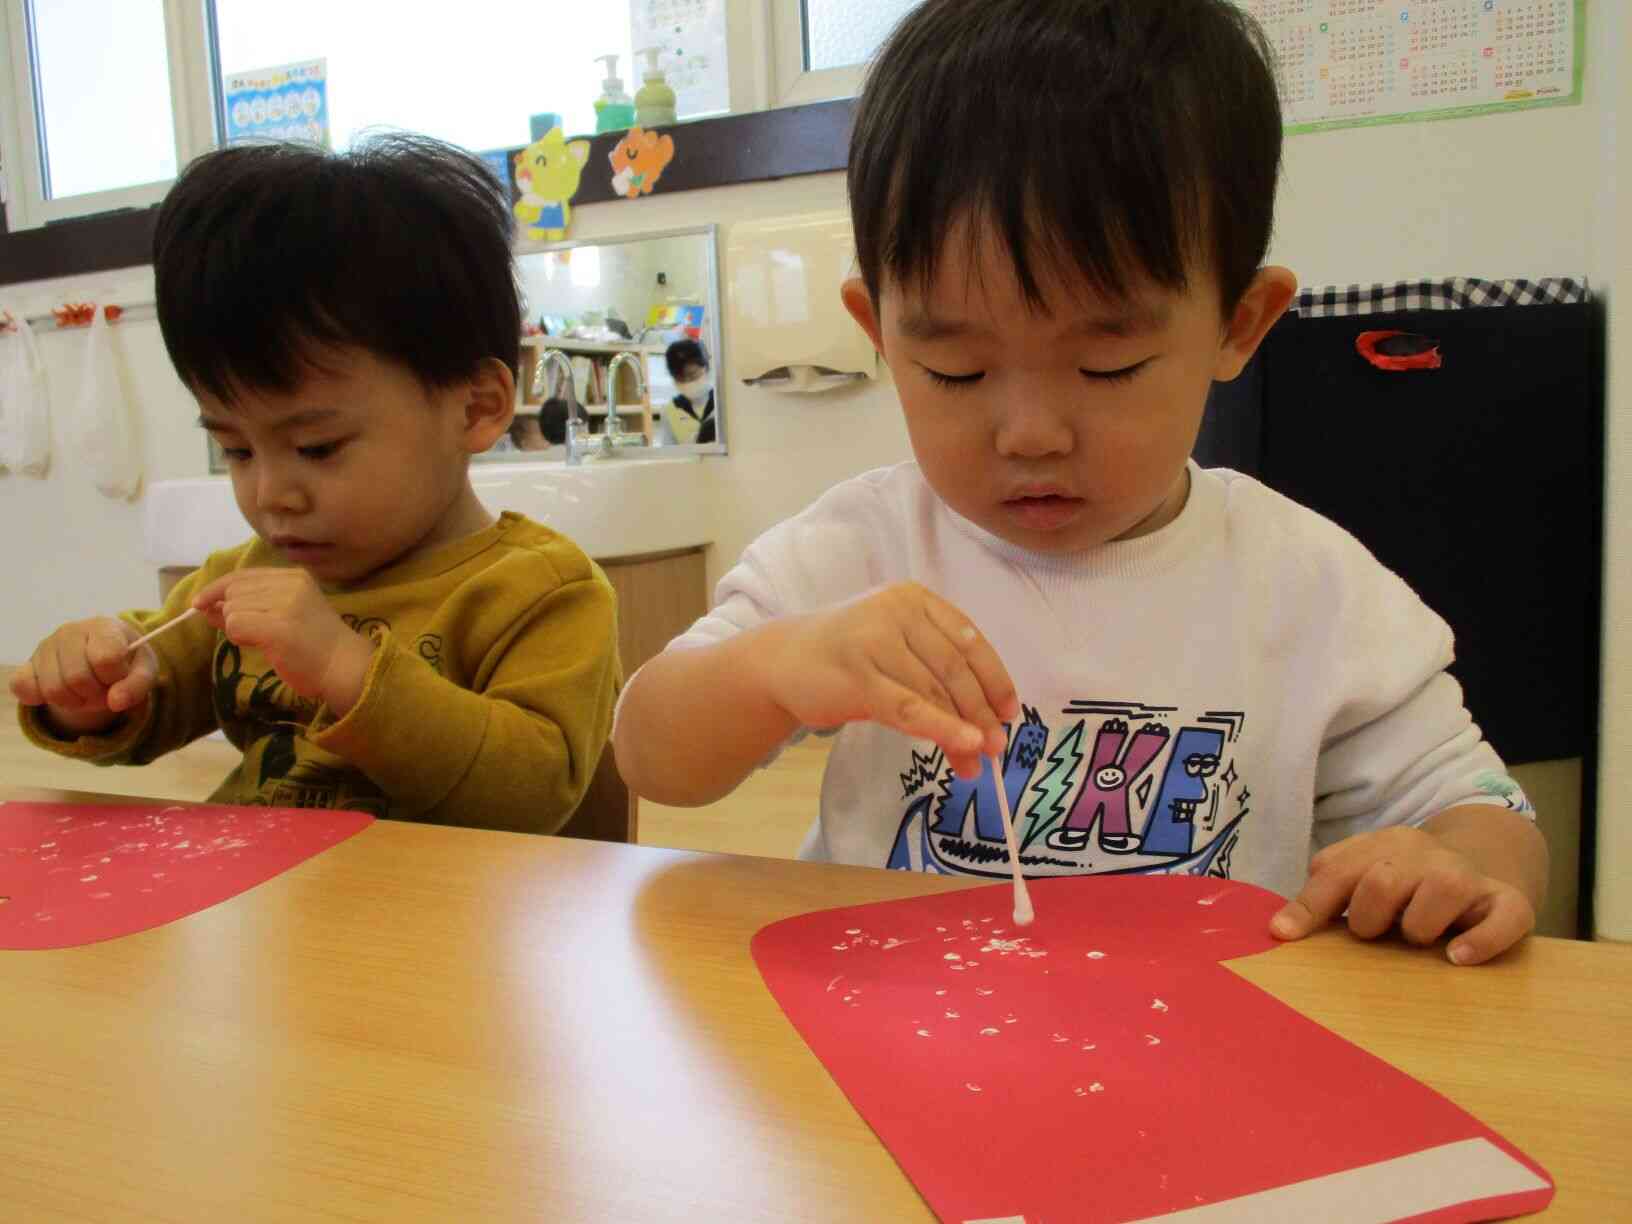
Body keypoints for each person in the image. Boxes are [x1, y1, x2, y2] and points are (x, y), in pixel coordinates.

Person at [614, 0, 1548, 964]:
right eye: (957, 372)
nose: (1029, 433)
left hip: (1195, 1055)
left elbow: (1482, 809)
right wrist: (779, 667)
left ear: (1239, 324)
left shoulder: (1303, 584)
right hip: (892, 1046)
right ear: (880, 332)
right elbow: (652, 752)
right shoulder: (862, 550)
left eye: (1108, 368)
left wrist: (1456, 866)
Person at [11, 135, 620, 832]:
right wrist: (90, 685)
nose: (271, 494)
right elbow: (150, 688)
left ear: (475, 407)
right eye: (236, 450)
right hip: (261, 905)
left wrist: (345, 667)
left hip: (444, 927)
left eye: (317, 447)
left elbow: (534, 796)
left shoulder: (543, 593)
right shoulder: (248, 575)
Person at [663, 338, 715, 445]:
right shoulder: (670, 411)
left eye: (692, 374)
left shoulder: (724, 400)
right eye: (681, 378)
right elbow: (669, 454)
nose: (688, 382)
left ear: (705, 367)